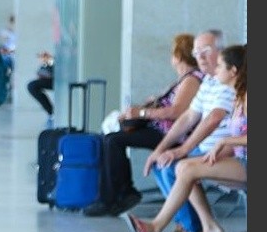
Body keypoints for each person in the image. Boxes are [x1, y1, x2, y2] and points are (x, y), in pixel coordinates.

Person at [126, 44, 246, 232]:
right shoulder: (238, 96)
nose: (215, 69)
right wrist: (222, 147)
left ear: (234, 71)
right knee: (182, 167)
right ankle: (209, 227)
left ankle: (156, 228)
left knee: (187, 168)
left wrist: (226, 142)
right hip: (239, 160)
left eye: (220, 65)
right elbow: (190, 117)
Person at [83, 33, 203, 217]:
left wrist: (142, 113)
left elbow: (177, 111)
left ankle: (116, 196)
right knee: (111, 139)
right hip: (162, 130)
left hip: (171, 134)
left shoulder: (191, 79)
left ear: (178, 56)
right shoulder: (184, 78)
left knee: (114, 141)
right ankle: (120, 192)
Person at [27, 50, 55, 128]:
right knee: (32, 86)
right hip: (54, 78)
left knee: (32, 85)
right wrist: (46, 62)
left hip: (63, 78)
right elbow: (40, 72)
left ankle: (52, 114)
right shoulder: (49, 61)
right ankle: (51, 113)